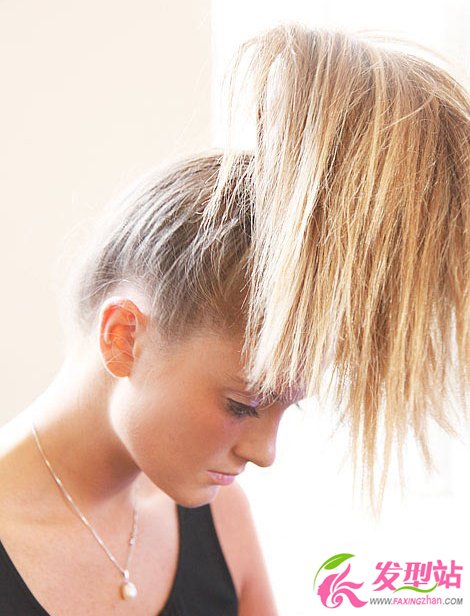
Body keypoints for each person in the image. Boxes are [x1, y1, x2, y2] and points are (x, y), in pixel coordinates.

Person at [0, 23, 468, 616]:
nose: (265, 454)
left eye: (287, 408)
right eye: (242, 405)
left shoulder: (220, 519)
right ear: (124, 337)